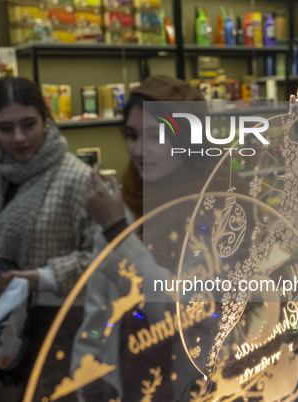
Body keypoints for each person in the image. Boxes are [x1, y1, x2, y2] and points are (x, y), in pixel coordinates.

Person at [70, 75, 219, 401]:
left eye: (157, 136)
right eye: (132, 136)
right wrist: (86, 369)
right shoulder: (122, 206)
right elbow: (100, 314)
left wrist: (117, 233)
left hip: (200, 383)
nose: (139, 150)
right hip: (129, 383)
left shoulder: (215, 205)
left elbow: (179, 310)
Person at [0, 76, 95, 401]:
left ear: (45, 119)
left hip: (60, 327)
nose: (18, 137)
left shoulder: (76, 177)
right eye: (5, 129)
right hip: (0, 328)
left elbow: (101, 258)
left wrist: (41, 278)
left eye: (28, 124)